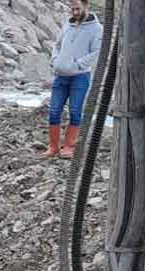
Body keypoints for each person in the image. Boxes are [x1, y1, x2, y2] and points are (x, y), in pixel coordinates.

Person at [45, 0, 103, 159]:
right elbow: (57, 45)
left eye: (78, 9)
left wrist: (77, 65)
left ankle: (69, 147)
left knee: (75, 111)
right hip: (61, 76)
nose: (75, 12)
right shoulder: (67, 25)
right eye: (73, 9)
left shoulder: (96, 29)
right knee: (54, 111)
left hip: (80, 77)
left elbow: (96, 52)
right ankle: (53, 147)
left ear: (86, 6)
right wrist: (55, 61)